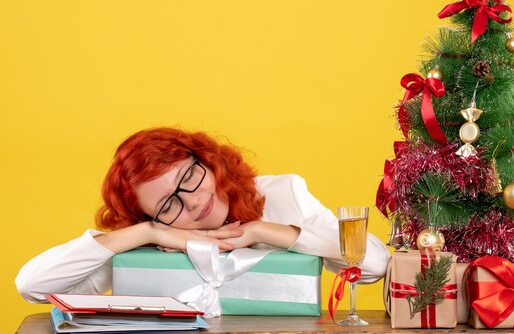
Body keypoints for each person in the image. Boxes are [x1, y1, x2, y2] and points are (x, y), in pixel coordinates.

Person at [16, 127, 390, 303]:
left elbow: (374, 264)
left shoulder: (281, 193)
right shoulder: (146, 240)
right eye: (167, 205)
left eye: (188, 177)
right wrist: (148, 233)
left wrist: (267, 230)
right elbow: (32, 285)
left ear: (206, 160)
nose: (191, 203)